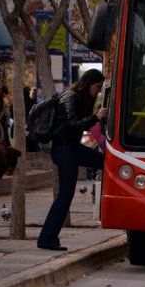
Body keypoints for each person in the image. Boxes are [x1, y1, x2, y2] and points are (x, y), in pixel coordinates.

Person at [37, 69, 107, 251]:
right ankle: (47, 239)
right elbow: (72, 124)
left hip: (70, 149)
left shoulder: (77, 97)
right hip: (65, 150)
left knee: (106, 161)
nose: (98, 91)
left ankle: (48, 238)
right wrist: (95, 118)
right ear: (89, 83)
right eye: (97, 87)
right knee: (65, 195)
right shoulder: (72, 97)